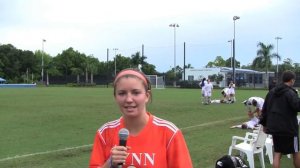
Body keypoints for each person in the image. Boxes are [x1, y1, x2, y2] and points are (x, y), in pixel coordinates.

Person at [89, 69, 193, 168]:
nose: (129, 99)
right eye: (122, 93)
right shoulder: (105, 133)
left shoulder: (169, 133)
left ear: (147, 96)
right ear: (115, 97)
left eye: (136, 93)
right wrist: (110, 163)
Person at [260, 70, 300, 168]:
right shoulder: (290, 93)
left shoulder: (272, 92)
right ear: (292, 80)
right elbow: (297, 107)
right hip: (289, 128)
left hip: (275, 128)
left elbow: (265, 109)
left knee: (277, 153)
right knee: (296, 152)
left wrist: (264, 124)